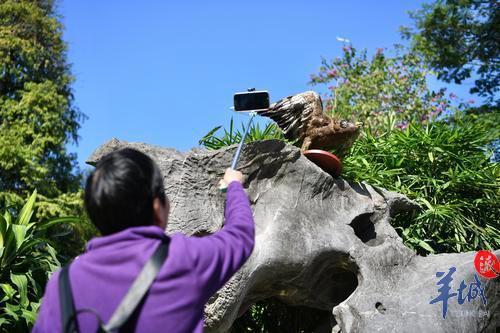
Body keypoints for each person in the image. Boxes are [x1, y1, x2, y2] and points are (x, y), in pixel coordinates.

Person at [32, 148, 255, 332]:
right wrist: (234, 186)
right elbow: (240, 235)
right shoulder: (183, 259)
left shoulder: (62, 285)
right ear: (158, 207)